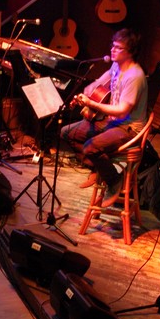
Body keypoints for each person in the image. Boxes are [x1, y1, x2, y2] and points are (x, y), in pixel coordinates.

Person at [61, 28, 149, 208]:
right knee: (67, 133)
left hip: (128, 129)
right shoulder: (116, 66)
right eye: (113, 45)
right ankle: (97, 166)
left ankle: (114, 180)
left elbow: (122, 112)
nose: (112, 50)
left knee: (90, 147)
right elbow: (98, 83)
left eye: (118, 47)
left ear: (130, 52)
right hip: (112, 122)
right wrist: (84, 97)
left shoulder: (135, 76)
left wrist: (92, 105)